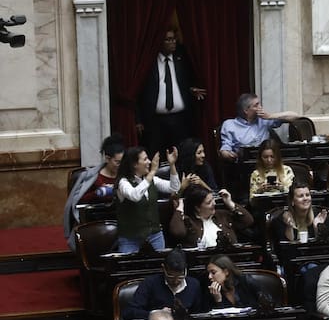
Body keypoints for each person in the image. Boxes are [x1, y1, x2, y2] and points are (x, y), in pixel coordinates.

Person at [135, 29, 205, 161]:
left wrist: (191, 89)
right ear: (158, 42)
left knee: (181, 154)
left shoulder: (182, 59)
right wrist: (138, 119)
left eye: (174, 39)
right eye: (168, 39)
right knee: (156, 155)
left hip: (180, 119)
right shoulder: (148, 63)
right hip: (155, 120)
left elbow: (187, 80)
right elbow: (139, 92)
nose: (172, 42)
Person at [115, 145, 180, 253]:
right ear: (135, 164)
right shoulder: (123, 182)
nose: (149, 162)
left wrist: (172, 165)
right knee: (129, 269)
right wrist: (153, 171)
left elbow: (174, 187)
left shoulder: (151, 179)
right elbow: (135, 196)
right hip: (130, 239)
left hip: (155, 235)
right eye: (145, 159)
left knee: (159, 266)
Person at [65, 134, 124, 249]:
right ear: (107, 158)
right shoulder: (93, 177)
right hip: (97, 221)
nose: (120, 165)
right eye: (117, 162)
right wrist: (97, 193)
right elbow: (79, 201)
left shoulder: (125, 176)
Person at [122, 248, 208, 320]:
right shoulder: (150, 283)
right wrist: (156, 314)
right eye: (170, 276)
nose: (175, 281)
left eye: (181, 276)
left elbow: (199, 313)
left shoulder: (194, 284)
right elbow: (129, 312)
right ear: (163, 268)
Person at [218, 93, 299, 162]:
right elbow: (225, 149)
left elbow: (295, 116)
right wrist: (228, 154)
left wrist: (270, 116)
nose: (260, 107)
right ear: (246, 110)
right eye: (256, 105)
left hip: (267, 161)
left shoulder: (264, 121)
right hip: (245, 164)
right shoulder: (229, 125)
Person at [168, 184, 253, 248]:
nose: (214, 204)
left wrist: (230, 203)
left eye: (213, 200)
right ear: (197, 207)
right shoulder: (189, 221)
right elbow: (178, 232)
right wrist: (179, 209)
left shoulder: (222, 215)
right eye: (209, 202)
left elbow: (248, 221)